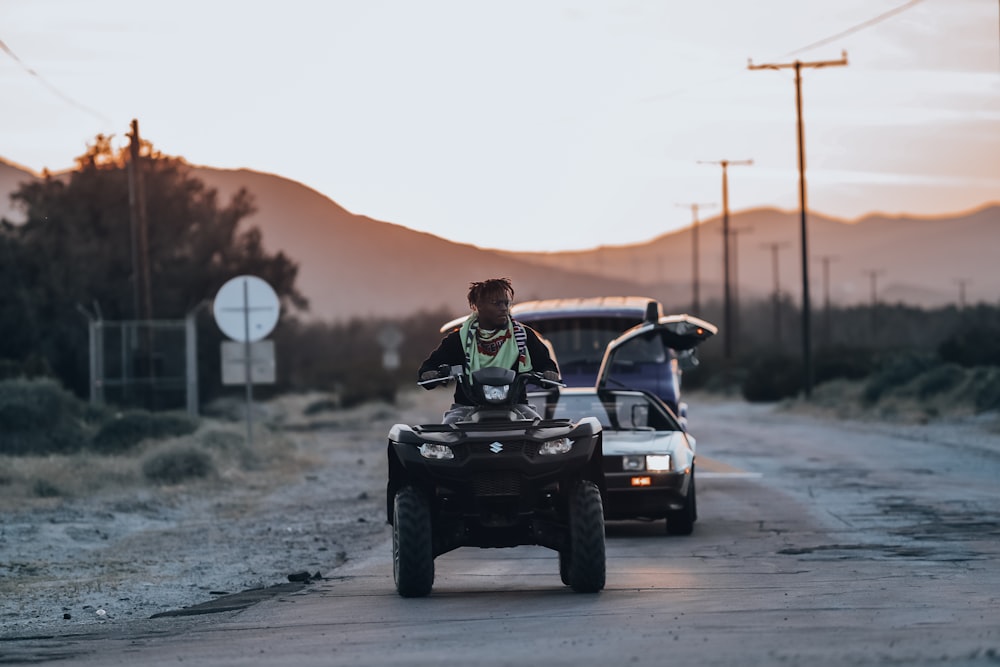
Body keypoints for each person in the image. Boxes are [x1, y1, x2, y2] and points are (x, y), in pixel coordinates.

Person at [419, 277, 560, 422]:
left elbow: (546, 364)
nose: (504, 308)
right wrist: (429, 374)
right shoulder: (459, 339)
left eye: (506, 303)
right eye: (496, 303)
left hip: (516, 406)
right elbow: (429, 366)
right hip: (467, 408)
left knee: (535, 427)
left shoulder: (523, 336)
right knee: (449, 430)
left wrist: (549, 373)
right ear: (478, 305)